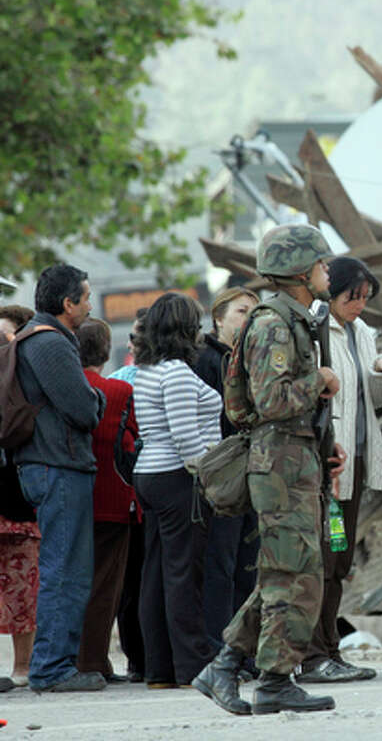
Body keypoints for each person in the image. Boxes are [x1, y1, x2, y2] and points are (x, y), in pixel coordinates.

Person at [194, 223, 344, 715]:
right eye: (322, 264)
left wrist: (324, 449)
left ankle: (228, 664)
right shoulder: (274, 324)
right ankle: (274, 680)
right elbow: (272, 398)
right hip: (278, 461)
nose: (328, 272)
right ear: (300, 270)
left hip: (294, 458)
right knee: (291, 573)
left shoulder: (292, 320)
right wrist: (318, 379)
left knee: (291, 571)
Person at [296, 257, 382, 683]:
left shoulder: (362, 332)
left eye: (364, 297)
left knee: (338, 558)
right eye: (351, 296)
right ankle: (312, 652)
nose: (358, 305)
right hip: (329, 463)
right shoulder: (317, 330)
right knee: (322, 557)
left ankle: (329, 648)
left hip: (356, 462)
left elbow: (371, 396)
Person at [15, 264, 104, 693]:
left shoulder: (40, 337)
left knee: (64, 565)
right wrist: (97, 398)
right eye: (85, 297)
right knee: (66, 569)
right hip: (58, 466)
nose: (90, 305)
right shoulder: (50, 343)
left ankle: (53, 664)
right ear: (68, 304)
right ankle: (52, 668)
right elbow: (84, 410)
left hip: (48, 464)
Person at [132, 294, 220, 689]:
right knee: (184, 572)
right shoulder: (178, 374)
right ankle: (191, 665)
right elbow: (185, 435)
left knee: (155, 572)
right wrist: (209, 472)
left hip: (149, 474)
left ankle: (159, 668)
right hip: (178, 477)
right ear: (186, 329)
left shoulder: (147, 370)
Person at [192, 288, 261, 658]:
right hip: (224, 474)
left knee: (247, 565)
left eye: (253, 312)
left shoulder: (253, 357)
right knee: (221, 562)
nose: (247, 319)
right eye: (240, 311)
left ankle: (243, 649)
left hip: (255, 470)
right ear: (218, 317)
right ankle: (220, 648)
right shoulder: (206, 359)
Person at [75, 319, 140, 684]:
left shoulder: (60, 387)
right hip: (113, 496)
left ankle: (73, 656)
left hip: (72, 495)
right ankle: (94, 659)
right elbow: (130, 441)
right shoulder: (117, 390)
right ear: (105, 350)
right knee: (105, 584)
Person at [0, 305, 40, 689]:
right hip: (17, 498)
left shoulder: (25, 383)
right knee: (21, 584)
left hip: (18, 500)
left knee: (22, 586)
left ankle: (23, 666)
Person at [109, 308, 146, 682]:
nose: (138, 343)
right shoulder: (119, 382)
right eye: (134, 337)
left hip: (148, 485)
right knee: (134, 573)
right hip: (133, 488)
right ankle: (137, 657)